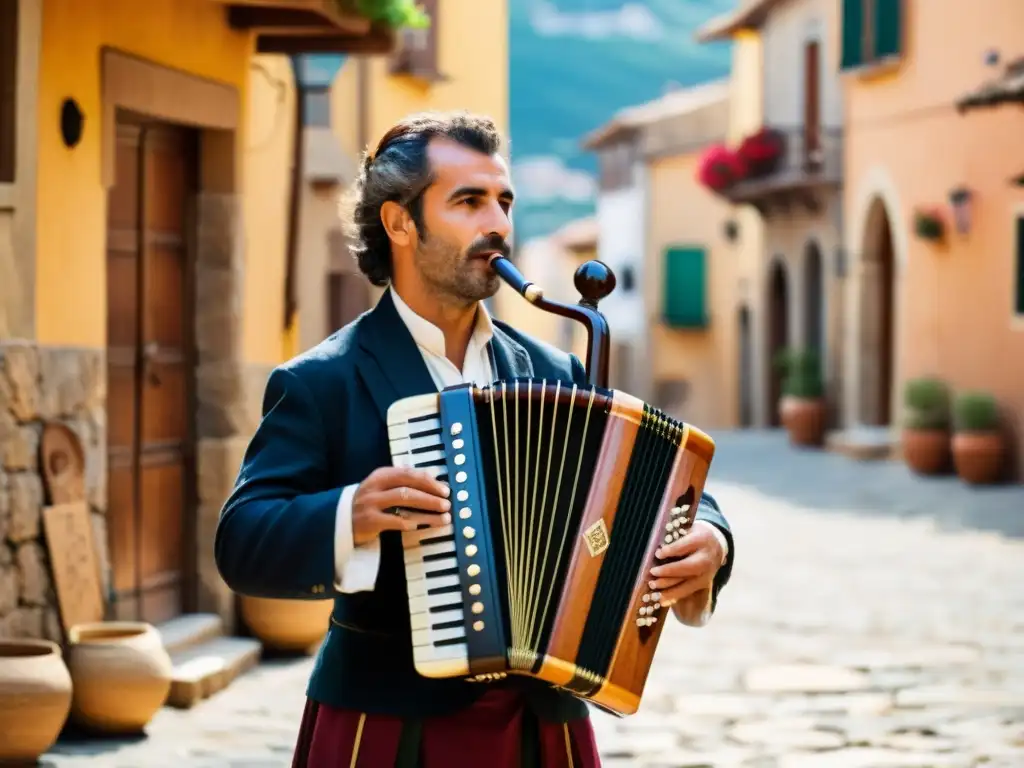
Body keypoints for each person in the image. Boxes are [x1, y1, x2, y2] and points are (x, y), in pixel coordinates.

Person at [215, 110, 735, 768]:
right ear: (401, 223)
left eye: (504, 200)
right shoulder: (323, 380)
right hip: (386, 720)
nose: (498, 224)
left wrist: (710, 538)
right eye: (468, 201)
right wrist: (352, 512)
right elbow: (242, 541)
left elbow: (659, 485)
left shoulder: (553, 371)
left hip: (540, 719)